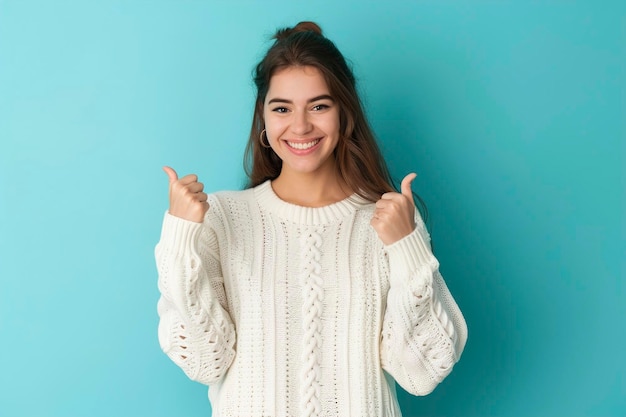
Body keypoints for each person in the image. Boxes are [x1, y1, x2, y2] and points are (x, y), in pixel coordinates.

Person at [155, 21, 467, 417]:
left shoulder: (392, 222)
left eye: (319, 106)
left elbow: (419, 374)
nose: (300, 126)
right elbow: (205, 362)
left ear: (345, 115)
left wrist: (406, 247)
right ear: (264, 121)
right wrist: (181, 238)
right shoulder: (222, 219)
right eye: (282, 108)